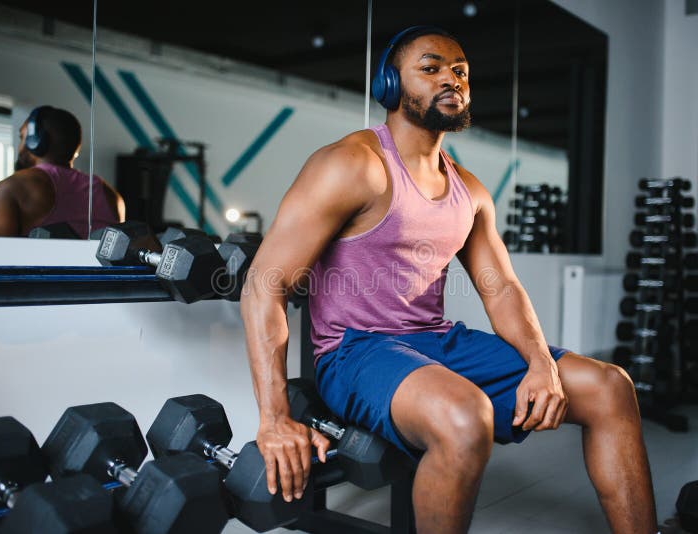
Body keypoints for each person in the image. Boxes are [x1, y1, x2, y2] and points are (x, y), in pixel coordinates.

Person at [240, 26, 657, 534]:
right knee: (465, 416)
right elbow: (264, 284)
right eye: (431, 68)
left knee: (610, 387)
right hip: (355, 352)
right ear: (391, 85)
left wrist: (542, 363)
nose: (451, 80)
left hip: (437, 342)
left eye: (460, 72)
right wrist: (274, 417)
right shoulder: (353, 165)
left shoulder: (470, 190)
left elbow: (500, 288)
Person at [0, 106, 124, 238]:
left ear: (35, 141)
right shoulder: (111, 196)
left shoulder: (10, 188)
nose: (20, 145)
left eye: (22, 137)